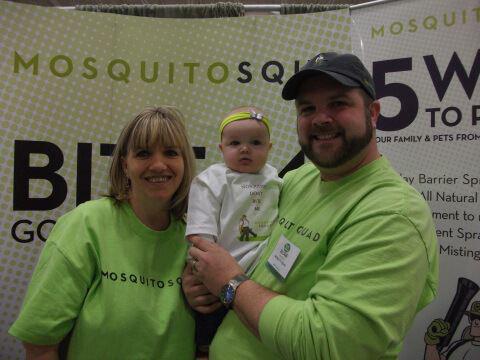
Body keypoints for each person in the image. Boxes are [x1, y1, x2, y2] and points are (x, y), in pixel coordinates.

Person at [183, 52, 439, 359]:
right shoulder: (297, 180)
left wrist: (228, 283)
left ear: (373, 113)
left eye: (338, 103)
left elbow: (328, 344)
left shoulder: (392, 214)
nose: (320, 118)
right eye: (307, 108)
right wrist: (199, 280)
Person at [9, 106, 197, 359]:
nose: (159, 165)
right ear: (125, 165)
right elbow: (39, 343)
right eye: (143, 153)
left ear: (185, 162)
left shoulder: (195, 238)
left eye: (171, 153)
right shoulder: (86, 225)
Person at [185, 106, 282, 351]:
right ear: (221, 148)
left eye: (256, 142)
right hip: (217, 284)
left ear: (270, 147)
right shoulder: (212, 180)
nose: (245, 148)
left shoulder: (277, 180)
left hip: (263, 283)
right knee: (208, 341)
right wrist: (203, 272)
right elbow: (200, 233)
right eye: (235, 142)